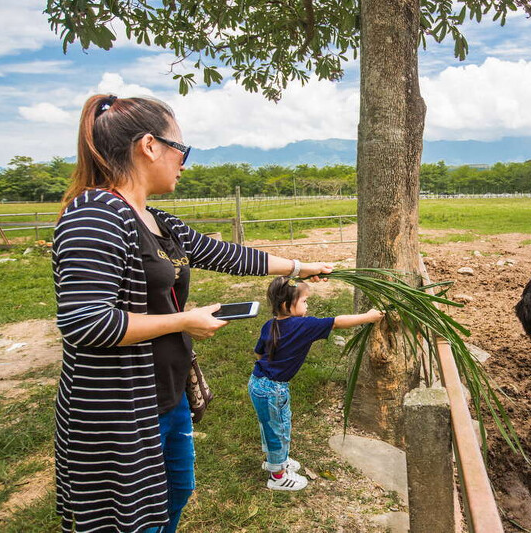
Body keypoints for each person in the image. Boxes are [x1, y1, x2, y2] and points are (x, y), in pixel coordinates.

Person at [53, 94, 333, 533]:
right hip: (121, 410)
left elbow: (225, 254)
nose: (184, 162)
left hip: (168, 396)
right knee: (130, 519)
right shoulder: (93, 215)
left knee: (175, 494)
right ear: (149, 145)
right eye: (181, 149)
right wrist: (184, 320)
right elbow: (86, 322)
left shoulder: (156, 221)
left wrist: (302, 267)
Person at [249, 276, 384, 491]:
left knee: (276, 425)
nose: (307, 305)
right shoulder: (304, 325)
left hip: (260, 384)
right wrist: (368, 317)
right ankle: (277, 476)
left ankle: (278, 460)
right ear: (287, 306)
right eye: (304, 301)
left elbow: (258, 353)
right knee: (278, 430)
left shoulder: (270, 324)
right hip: (272, 388)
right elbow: (337, 322)